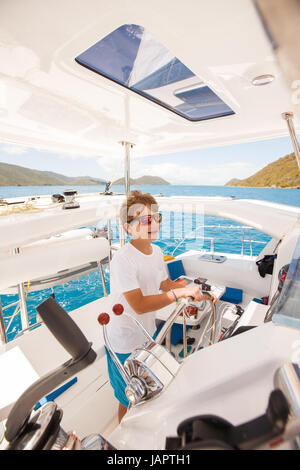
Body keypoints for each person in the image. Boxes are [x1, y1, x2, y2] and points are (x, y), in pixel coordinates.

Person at [105, 190, 217, 423]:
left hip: (146, 336)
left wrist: (193, 291)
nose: (154, 223)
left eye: (156, 217)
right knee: (128, 398)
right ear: (128, 227)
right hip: (124, 341)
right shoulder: (123, 259)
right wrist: (179, 293)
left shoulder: (156, 251)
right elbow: (138, 305)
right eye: (145, 219)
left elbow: (163, 284)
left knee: (146, 390)